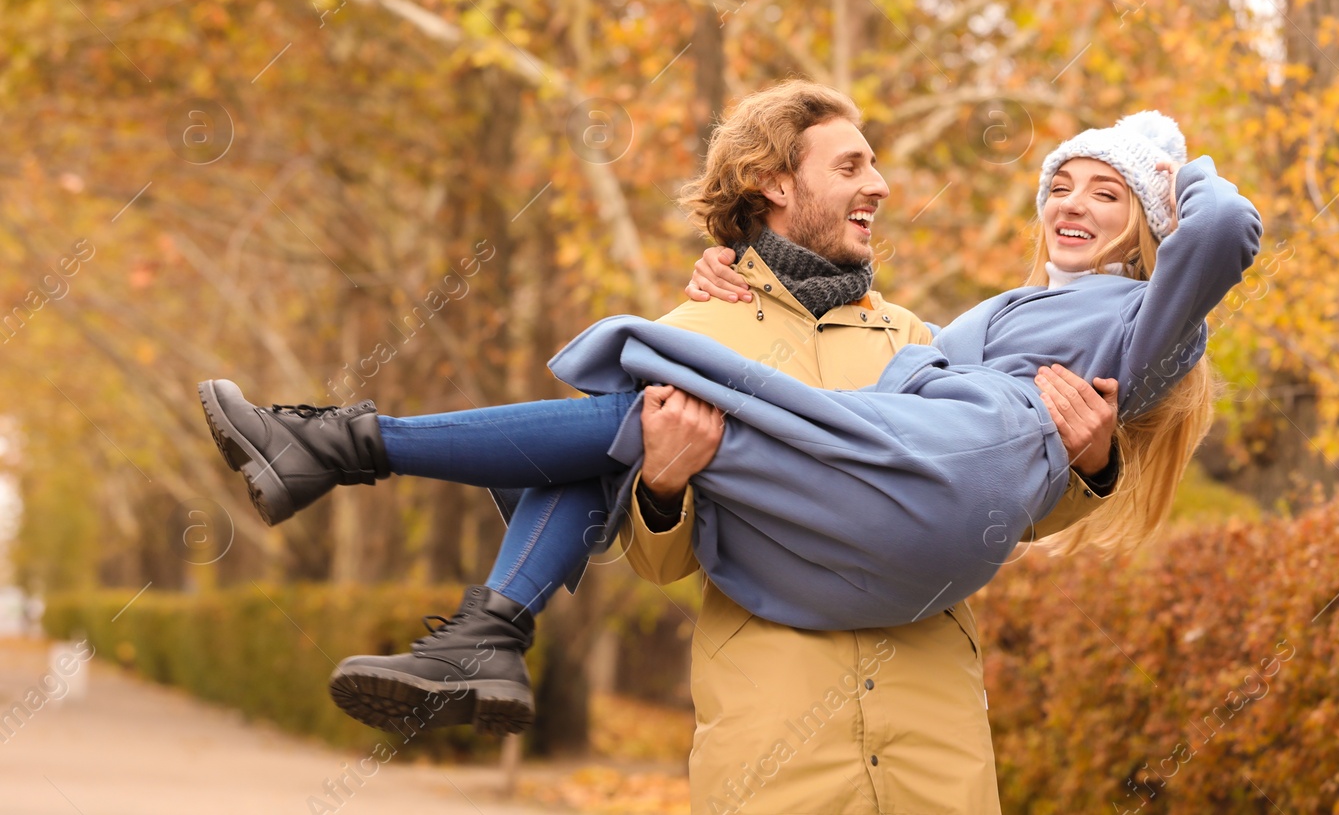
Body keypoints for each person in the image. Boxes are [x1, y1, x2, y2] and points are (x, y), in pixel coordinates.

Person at [198, 83, 1260, 813]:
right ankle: (438, 569)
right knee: (627, 416)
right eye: (853, 167)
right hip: (773, 739)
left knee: (615, 391)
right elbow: (659, 562)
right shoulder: (699, 332)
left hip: (929, 732)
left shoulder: (919, 335)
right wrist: (662, 486)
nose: (880, 187)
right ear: (773, 190)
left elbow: (998, 492)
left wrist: (1094, 467)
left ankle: (419, 541)